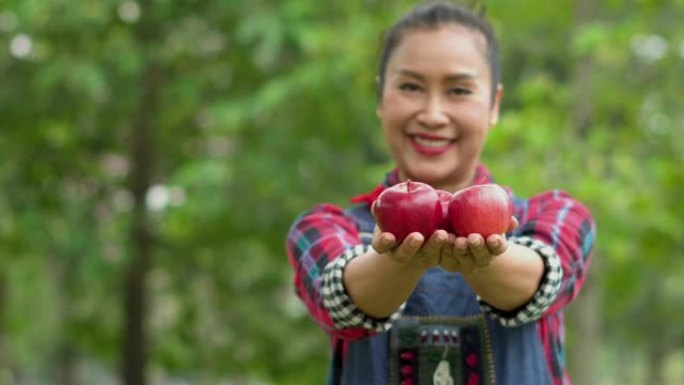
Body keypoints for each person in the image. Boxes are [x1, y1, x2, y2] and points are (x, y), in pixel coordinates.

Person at [286, 2, 596, 385]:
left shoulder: (556, 214)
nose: (433, 114)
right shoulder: (322, 228)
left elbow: (540, 283)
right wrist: (403, 258)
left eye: (459, 90)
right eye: (411, 86)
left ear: (493, 106)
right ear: (381, 98)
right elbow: (342, 302)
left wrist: (481, 254)